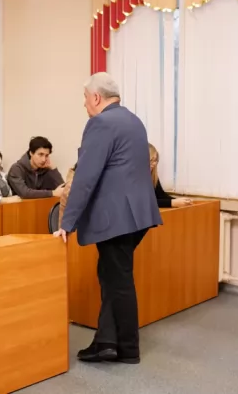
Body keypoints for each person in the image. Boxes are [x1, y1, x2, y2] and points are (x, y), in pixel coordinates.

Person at [55, 72, 162, 364]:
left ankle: (128, 348)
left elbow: (85, 177)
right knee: (112, 276)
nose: (84, 104)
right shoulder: (133, 120)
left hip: (116, 218)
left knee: (118, 281)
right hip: (137, 215)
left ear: (96, 97)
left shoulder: (100, 123)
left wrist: (67, 222)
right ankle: (106, 342)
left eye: (85, 98)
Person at [149, 143, 192, 208]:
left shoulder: (153, 176)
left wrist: (180, 201)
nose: (154, 163)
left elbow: (161, 195)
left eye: (155, 160)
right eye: (151, 160)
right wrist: (172, 202)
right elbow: (145, 202)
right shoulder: (134, 180)